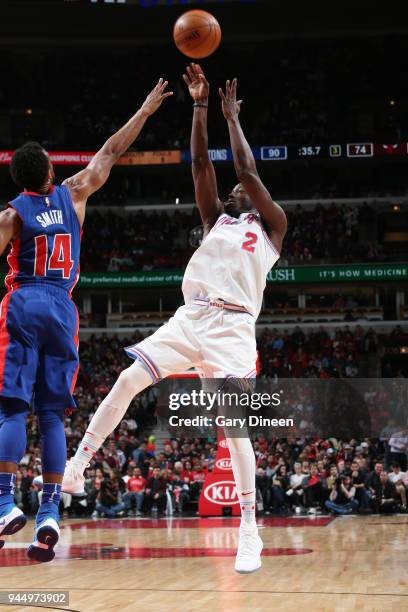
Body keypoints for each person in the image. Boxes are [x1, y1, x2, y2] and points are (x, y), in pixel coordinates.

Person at [55, 63, 287, 574]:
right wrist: (200, 106)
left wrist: (232, 118)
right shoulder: (216, 220)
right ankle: (78, 466)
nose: (238, 189)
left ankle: (249, 529)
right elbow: (201, 163)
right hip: (192, 319)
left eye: (244, 188)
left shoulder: (272, 226)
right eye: (232, 191)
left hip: (232, 330)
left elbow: (247, 170)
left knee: (236, 431)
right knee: (127, 379)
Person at [0, 78, 173, 561]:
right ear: (51, 170)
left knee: (12, 409)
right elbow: (110, 152)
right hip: (63, 307)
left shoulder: (12, 215)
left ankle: (4, 503)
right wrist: (144, 109)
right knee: (52, 414)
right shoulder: (75, 192)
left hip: (25, 300)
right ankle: (51, 512)